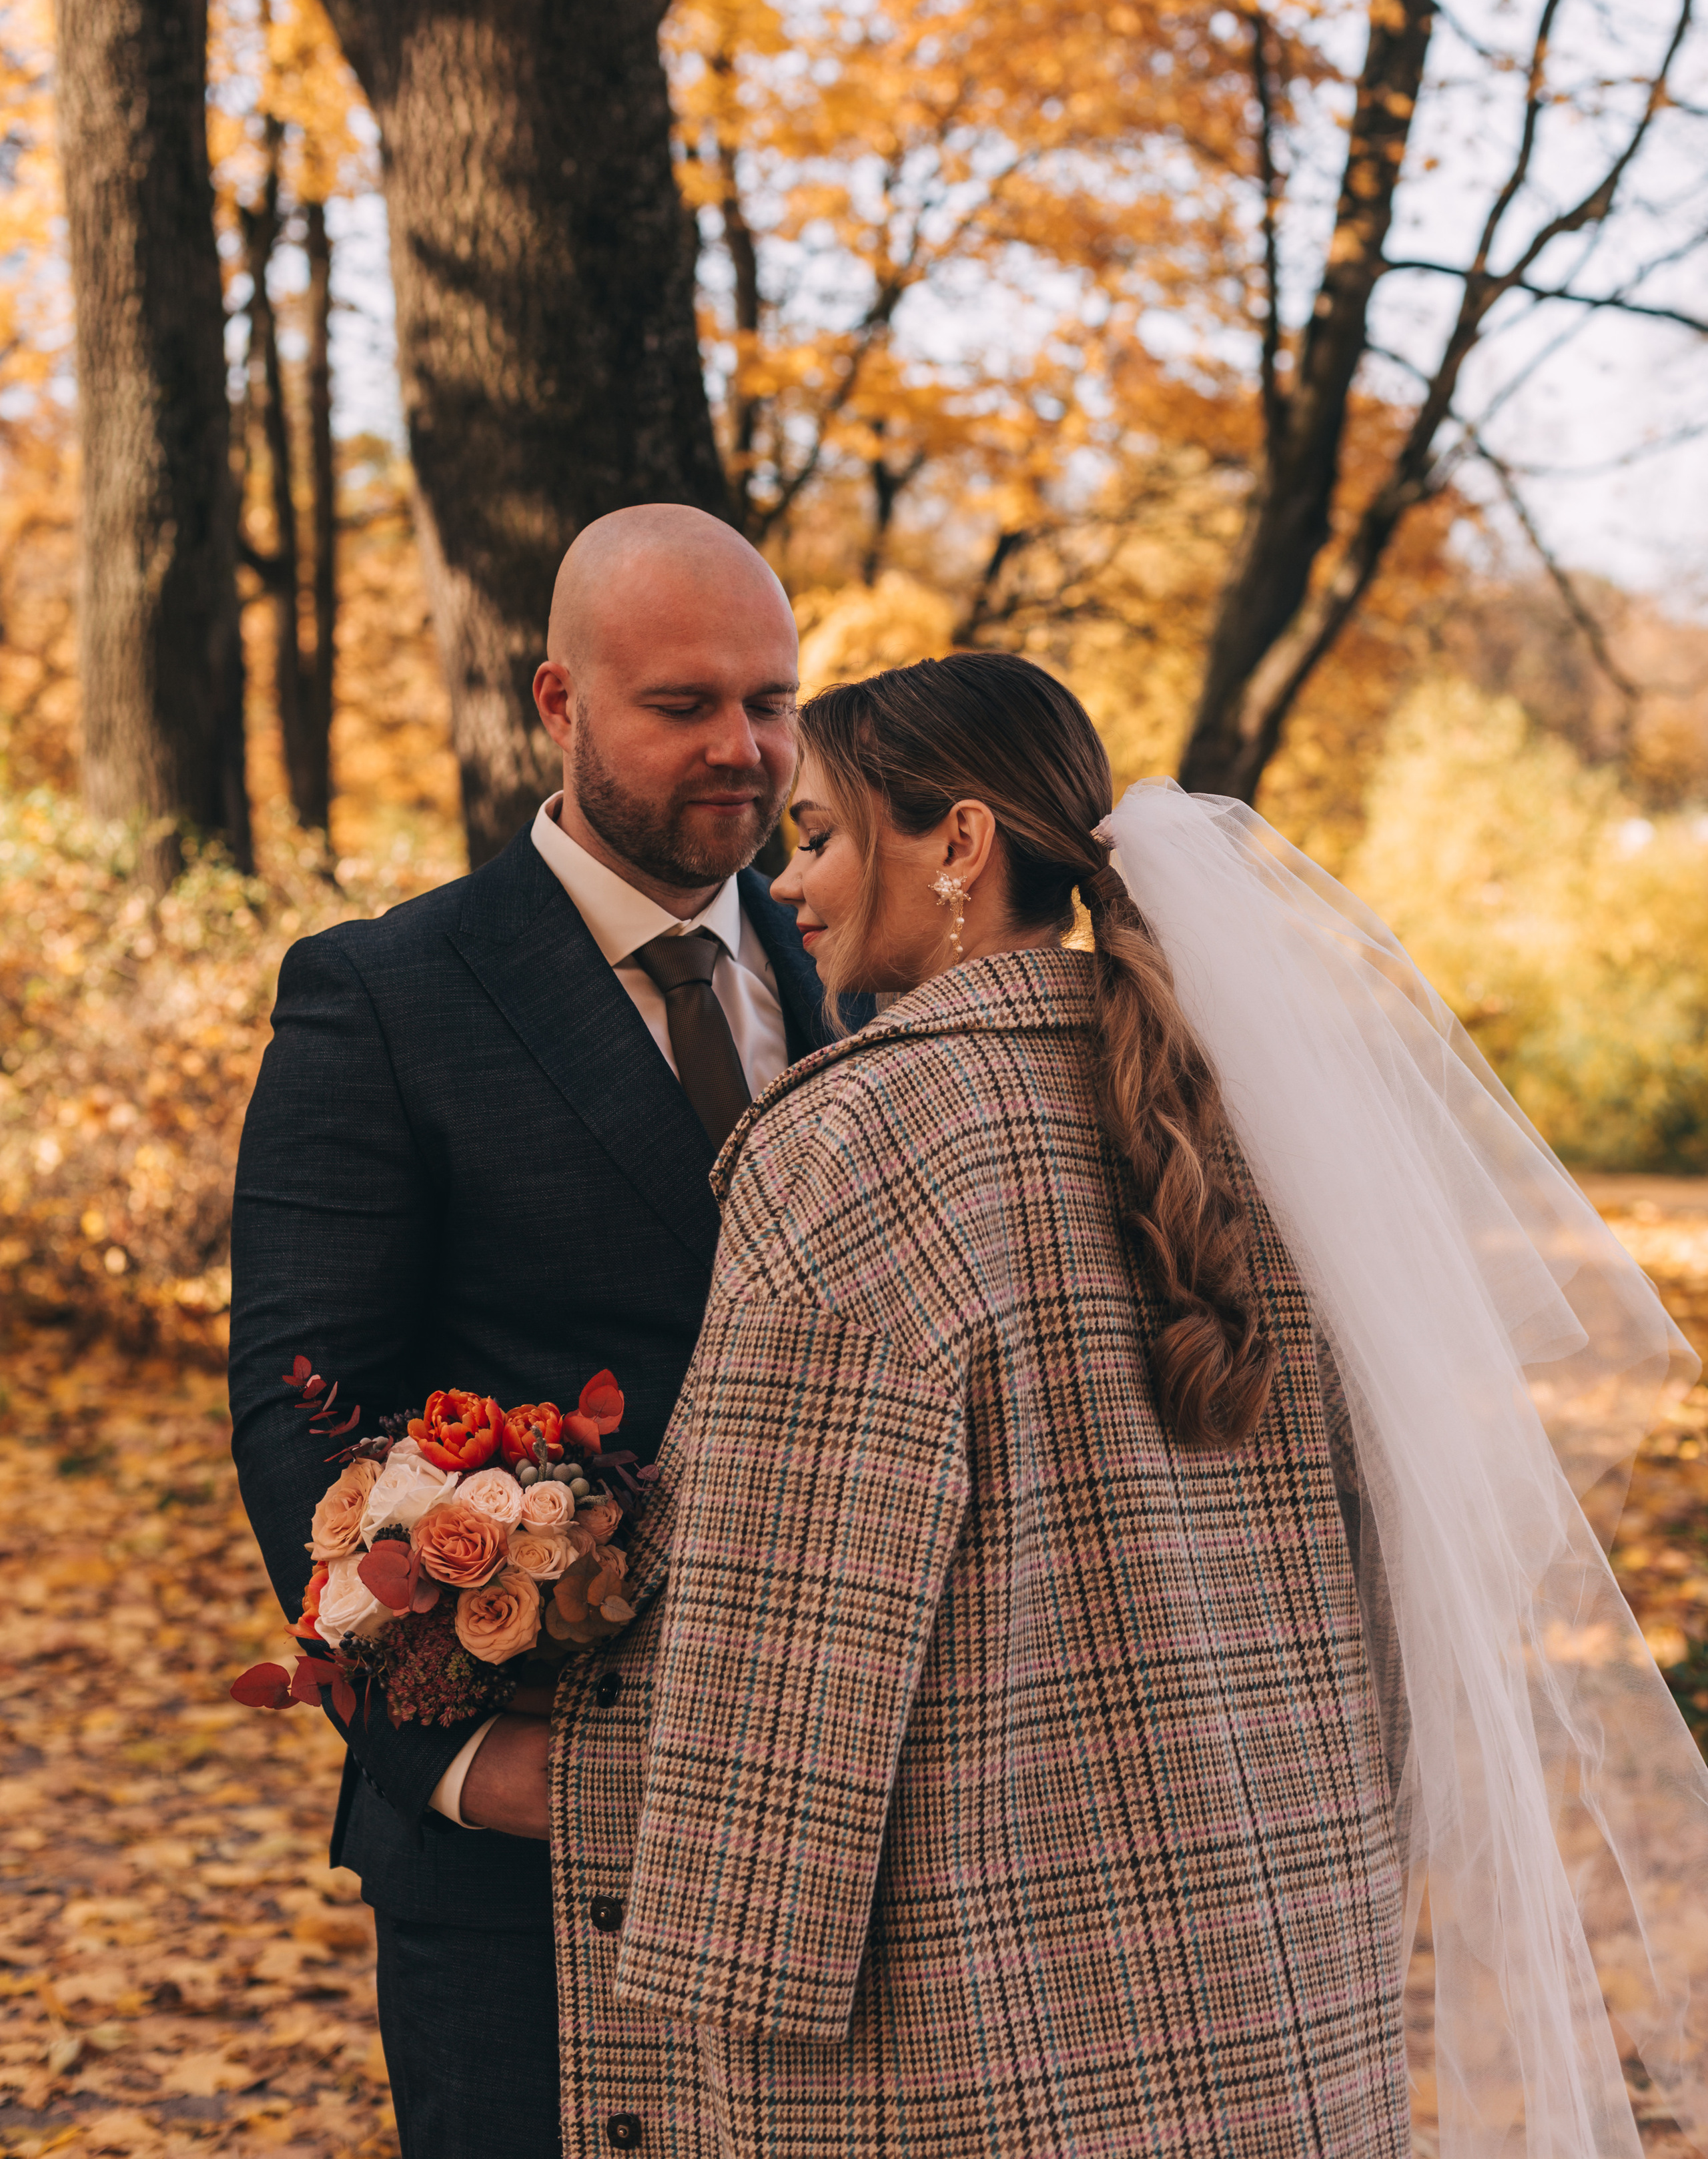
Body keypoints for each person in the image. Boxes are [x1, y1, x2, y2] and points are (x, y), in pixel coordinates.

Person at [548, 651, 1708, 2159]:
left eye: (822, 835)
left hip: (979, 2006)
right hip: (1285, 1946)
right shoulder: (1265, 1114)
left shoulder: (856, 1139)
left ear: (957, 845)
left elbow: (788, 1650)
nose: (793, 889)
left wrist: (694, 1974)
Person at [228, 507, 866, 2159]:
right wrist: (448, 1756)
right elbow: (304, 1407)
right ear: (557, 702)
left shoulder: (856, 977)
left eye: (773, 701)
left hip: (837, 1812)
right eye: (684, 706)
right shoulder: (385, 992)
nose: (745, 750)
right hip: (523, 1829)